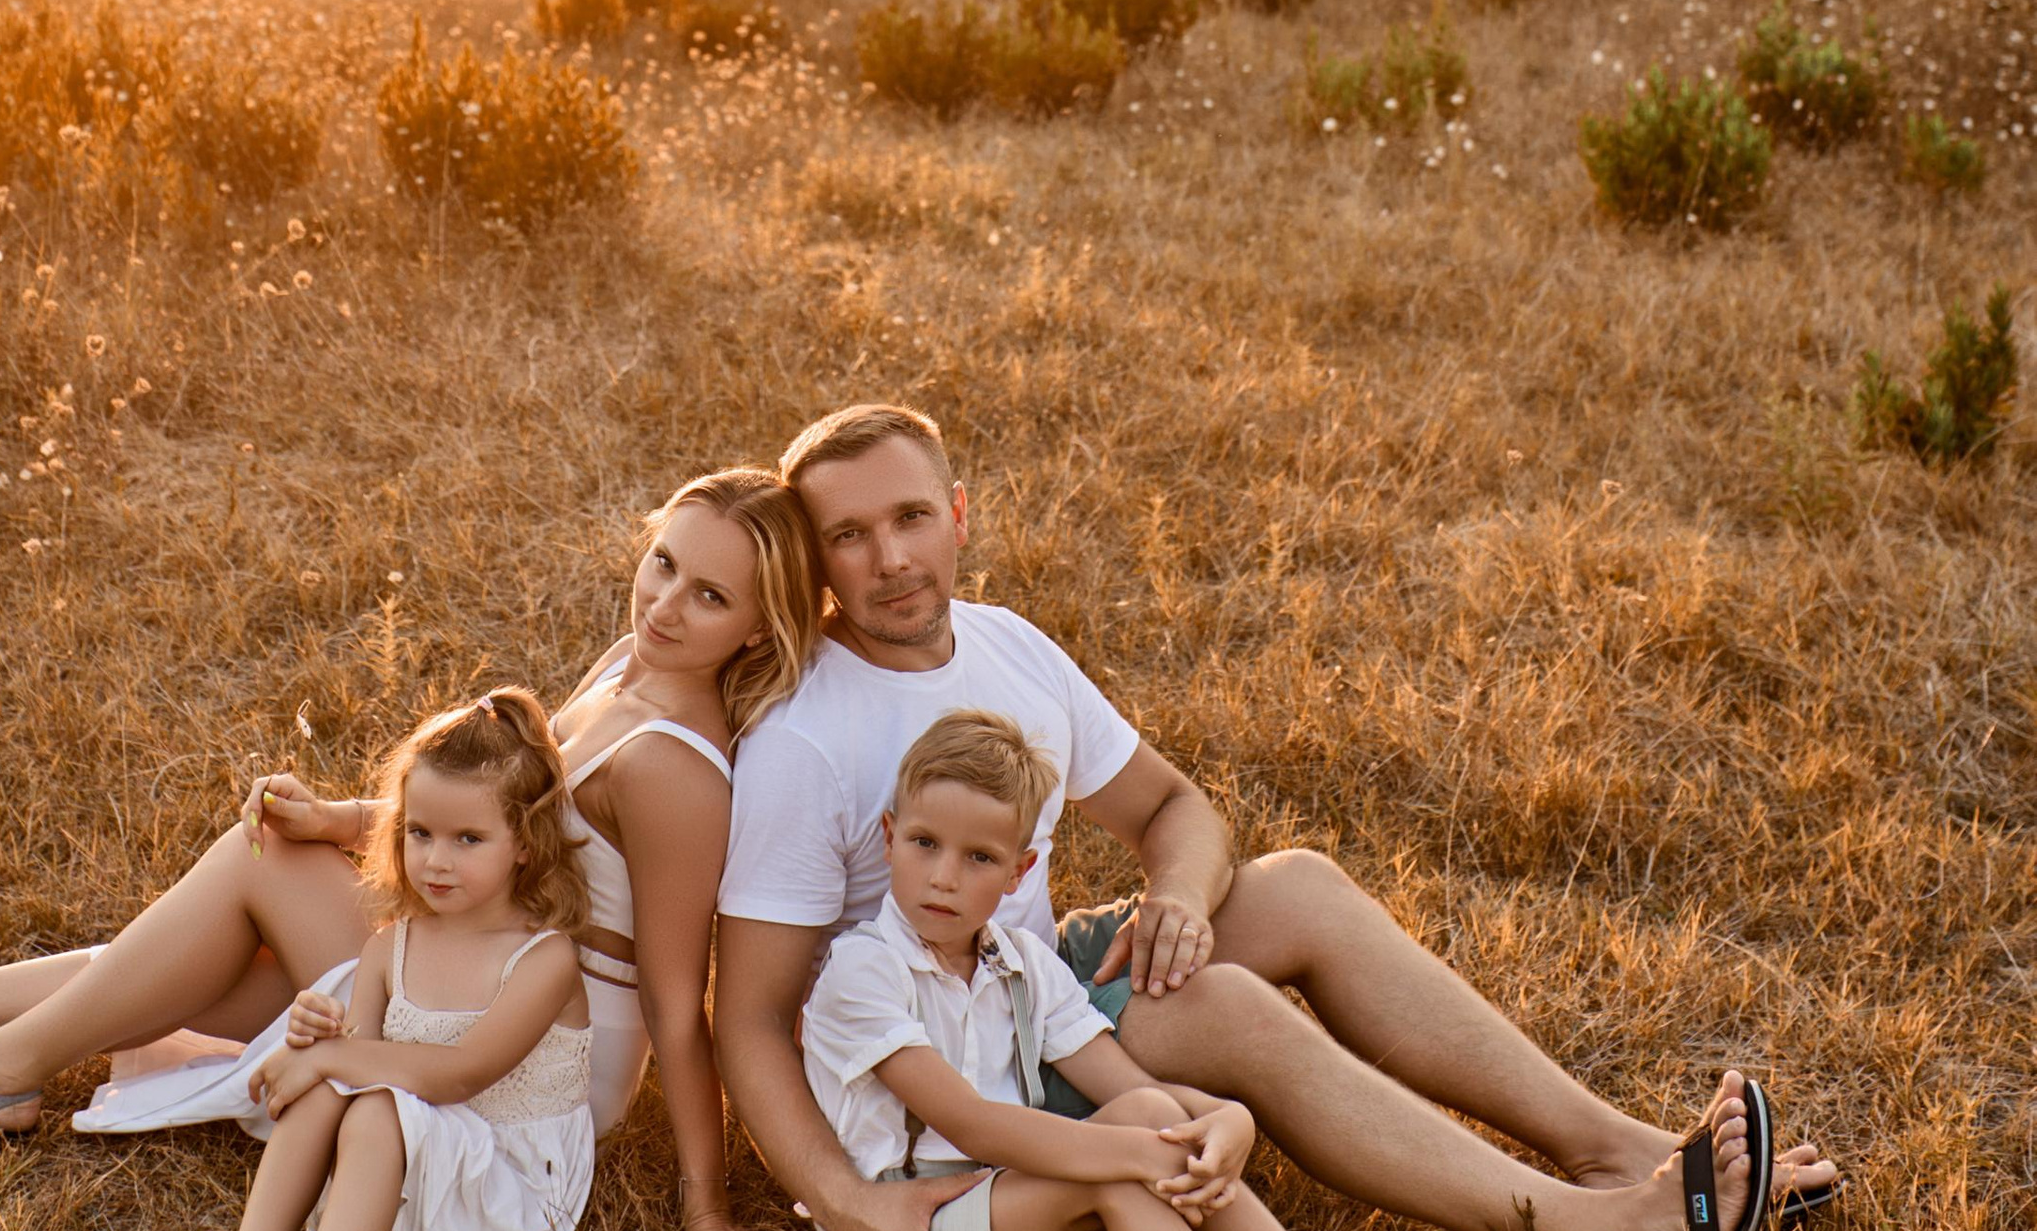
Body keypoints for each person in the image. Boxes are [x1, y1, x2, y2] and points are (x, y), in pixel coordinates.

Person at [714, 403, 1834, 1231]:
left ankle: (1624, 1151)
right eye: (850, 535)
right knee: (1219, 1002)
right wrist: (847, 1195)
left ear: (958, 514)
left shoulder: (1005, 640)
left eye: (911, 516)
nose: (892, 557)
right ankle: (1584, 1221)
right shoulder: (806, 734)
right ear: (814, 561)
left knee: (1296, 882)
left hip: (1025, 962)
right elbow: (751, 1016)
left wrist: (1176, 898)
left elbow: (1169, 805)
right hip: (946, 1043)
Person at [0, 466, 819, 1231]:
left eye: (709, 595)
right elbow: (510, 815)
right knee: (208, 953)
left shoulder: (678, 765)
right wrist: (346, 820)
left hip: (528, 1033)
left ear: (759, 626)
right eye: (663, 563)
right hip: (461, 944)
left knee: (256, 873)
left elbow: (683, 1001)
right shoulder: (633, 658)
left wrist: (703, 1200)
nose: (667, 603)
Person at [803, 709, 1271, 1231]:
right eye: (925, 843)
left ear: (1018, 872)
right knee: (1120, 1169)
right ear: (890, 838)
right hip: (909, 1209)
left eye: (979, 857)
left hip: (1001, 1190)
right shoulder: (864, 968)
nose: (944, 878)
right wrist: (1142, 1155)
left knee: (1148, 1111)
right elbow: (971, 1125)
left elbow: (1128, 1087)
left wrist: (1227, 1116)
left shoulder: (1022, 962)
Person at [231, 688, 592, 1231]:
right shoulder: (389, 949)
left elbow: (460, 1075)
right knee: (328, 1085)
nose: (437, 861)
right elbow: (358, 1061)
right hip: (407, 1157)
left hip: (509, 1183)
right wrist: (321, 1038)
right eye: (420, 833)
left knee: (370, 1104)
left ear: (525, 842)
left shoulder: (544, 959)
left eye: (468, 839)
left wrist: (333, 1059)